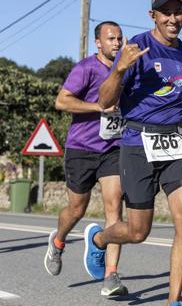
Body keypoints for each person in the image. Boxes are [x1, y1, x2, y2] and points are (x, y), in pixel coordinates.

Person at [83, 0, 182, 306]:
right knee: (138, 231)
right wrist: (120, 68)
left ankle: (173, 301)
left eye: (178, 12)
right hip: (138, 141)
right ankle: (98, 238)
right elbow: (106, 101)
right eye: (166, 12)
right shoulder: (135, 49)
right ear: (153, 16)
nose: (173, 18)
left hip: (175, 141)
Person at [44, 21, 128, 296]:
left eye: (119, 38)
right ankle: (57, 241)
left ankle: (111, 276)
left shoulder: (125, 70)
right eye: (111, 38)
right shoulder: (86, 68)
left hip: (113, 149)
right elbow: (62, 101)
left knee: (114, 207)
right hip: (81, 148)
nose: (116, 43)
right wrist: (98, 107)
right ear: (98, 43)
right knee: (77, 209)